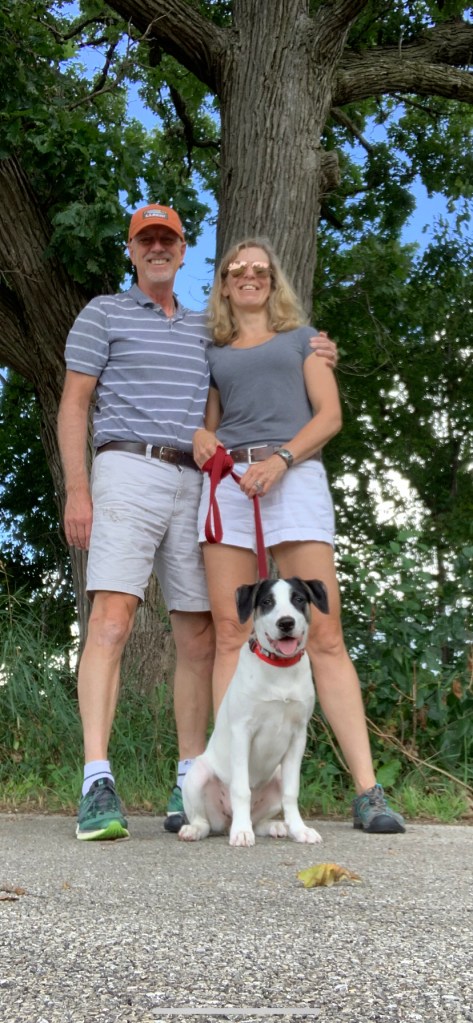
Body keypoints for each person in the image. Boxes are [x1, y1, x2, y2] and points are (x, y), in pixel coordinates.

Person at [57, 204, 338, 840]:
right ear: (132, 249)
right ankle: (97, 780)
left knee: (201, 635)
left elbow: (261, 356)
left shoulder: (205, 330)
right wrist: (78, 487)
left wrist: (319, 349)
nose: (157, 248)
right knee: (110, 620)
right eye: (146, 239)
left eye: (169, 239)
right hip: (127, 467)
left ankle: (191, 775)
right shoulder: (103, 312)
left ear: (184, 251)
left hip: (199, 482)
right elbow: (75, 402)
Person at [193, 237, 405, 835]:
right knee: (232, 632)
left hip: (293, 473)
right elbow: (209, 427)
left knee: (325, 633)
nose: (250, 276)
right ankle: (228, 792)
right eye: (238, 269)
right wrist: (204, 438)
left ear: (273, 280)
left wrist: (281, 460)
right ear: (225, 283)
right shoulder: (214, 352)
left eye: (260, 269)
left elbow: (330, 416)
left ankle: (368, 791)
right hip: (230, 484)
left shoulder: (303, 339)